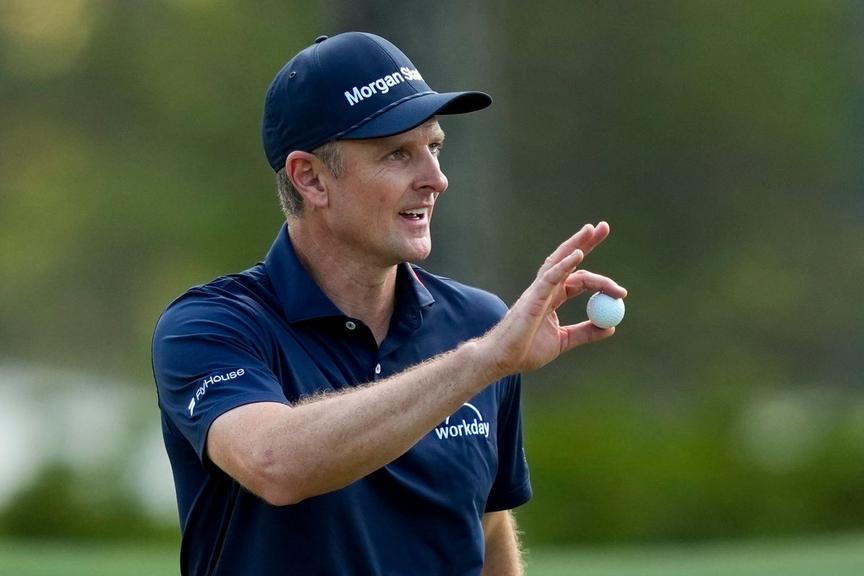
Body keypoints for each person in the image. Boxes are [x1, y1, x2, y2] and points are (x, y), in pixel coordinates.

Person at [152, 31, 626, 576]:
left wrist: (487, 355)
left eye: (435, 147)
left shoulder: (478, 324)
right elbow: (275, 463)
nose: (436, 179)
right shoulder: (210, 326)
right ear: (311, 178)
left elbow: (488, 530)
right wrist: (484, 360)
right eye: (398, 154)